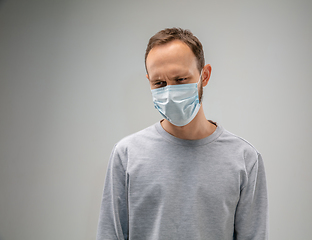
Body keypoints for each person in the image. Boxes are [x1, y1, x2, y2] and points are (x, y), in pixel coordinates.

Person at [97, 28, 268, 240]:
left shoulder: (244, 158)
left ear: (204, 76)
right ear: (148, 81)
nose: (169, 93)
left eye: (180, 79)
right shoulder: (127, 154)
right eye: (159, 83)